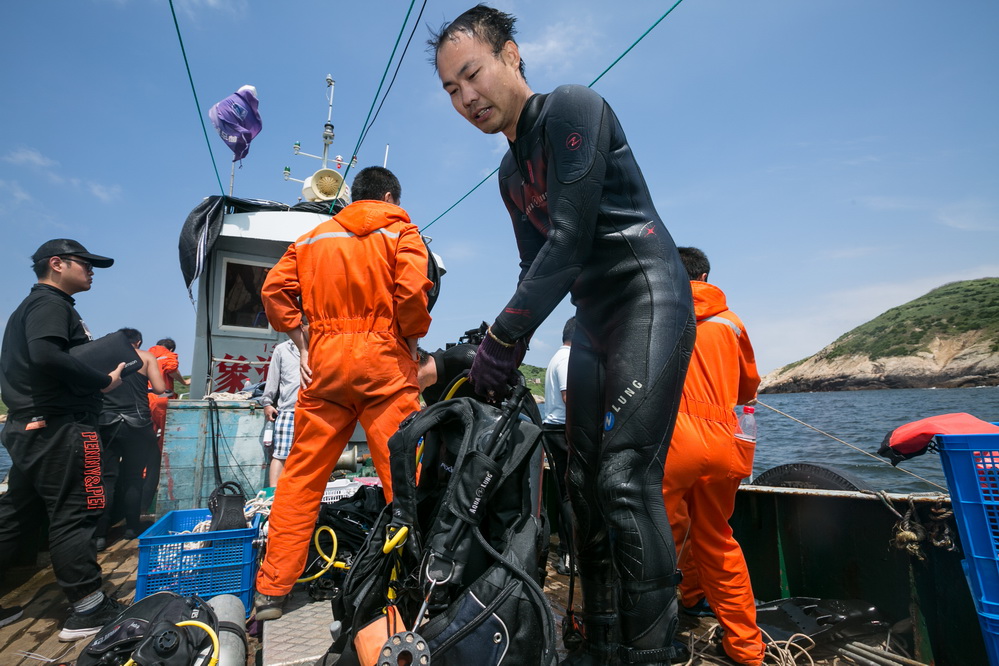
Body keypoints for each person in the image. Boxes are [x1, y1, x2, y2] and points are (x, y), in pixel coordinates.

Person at [431, 8, 696, 664]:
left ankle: (653, 653)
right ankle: (600, 641)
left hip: (646, 295)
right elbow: (533, 270)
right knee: (579, 485)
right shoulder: (508, 174)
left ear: (511, 55)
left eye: (472, 75)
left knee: (622, 477)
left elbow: (570, 239)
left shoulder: (574, 108)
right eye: (451, 91)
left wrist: (502, 342)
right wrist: (489, 354)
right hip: (592, 325)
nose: (466, 98)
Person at [254, 166, 432, 620]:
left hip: (326, 366)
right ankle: (424, 580)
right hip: (384, 367)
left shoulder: (315, 238)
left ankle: (272, 591)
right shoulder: (400, 230)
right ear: (390, 196)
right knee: (406, 479)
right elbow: (412, 292)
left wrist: (301, 338)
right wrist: (411, 337)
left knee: (301, 475)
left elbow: (273, 290)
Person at [0, 239, 129, 641]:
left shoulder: (34, 306)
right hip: (62, 429)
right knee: (78, 511)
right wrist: (102, 381)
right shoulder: (50, 304)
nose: (91, 271)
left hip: (32, 427)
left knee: (17, 514)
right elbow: (46, 356)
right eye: (85, 264)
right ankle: (87, 606)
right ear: (57, 264)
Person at [661, 247, 763, 666]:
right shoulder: (731, 321)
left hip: (670, 439)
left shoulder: (656, 313)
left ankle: (656, 637)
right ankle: (745, 647)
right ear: (705, 275)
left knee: (658, 539)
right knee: (717, 538)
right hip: (724, 439)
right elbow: (747, 390)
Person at [95, 328, 167, 551]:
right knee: (133, 477)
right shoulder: (145, 357)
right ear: (138, 342)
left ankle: (99, 535)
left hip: (106, 422)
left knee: (106, 478)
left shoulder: (102, 357)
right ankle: (131, 528)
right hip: (137, 423)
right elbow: (160, 388)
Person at [543, 317, 575, 576]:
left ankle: (568, 552)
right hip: (563, 431)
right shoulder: (566, 359)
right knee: (570, 495)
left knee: (565, 493)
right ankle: (569, 553)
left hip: (554, 430)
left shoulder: (557, 357)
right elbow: (570, 398)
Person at [144, 337, 189, 511]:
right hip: (161, 401)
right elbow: (172, 370)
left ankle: (144, 473)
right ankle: (163, 473)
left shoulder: (145, 354)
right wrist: (184, 382)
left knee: (147, 439)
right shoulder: (168, 355)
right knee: (165, 438)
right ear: (170, 347)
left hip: (144, 401)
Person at [259, 332, 304, 486]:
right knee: (281, 454)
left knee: (310, 456)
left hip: (315, 411)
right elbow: (273, 378)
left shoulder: (322, 348)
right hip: (288, 410)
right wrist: (267, 402)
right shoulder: (282, 349)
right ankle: (273, 496)